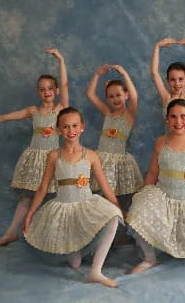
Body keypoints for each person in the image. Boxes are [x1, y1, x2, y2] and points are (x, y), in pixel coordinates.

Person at [0, 49, 69, 247]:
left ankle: (58, 235)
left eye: (50, 88)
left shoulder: (60, 109)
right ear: (38, 92)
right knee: (26, 198)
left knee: (57, 197)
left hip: (54, 159)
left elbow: (65, 84)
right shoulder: (33, 111)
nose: (46, 92)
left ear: (56, 91)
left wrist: (61, 60)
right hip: (34, 159)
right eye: (42, 89)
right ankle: (10, 233)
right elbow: (7, 117)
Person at [23, 107, 123, 288]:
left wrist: (118, 206)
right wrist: (30, 213)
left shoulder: (91, 155)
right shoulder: (54, 155)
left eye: (75, 126)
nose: (71, 131)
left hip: (86, 203)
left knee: (114, 217)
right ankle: (76, 253)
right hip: (64, 206)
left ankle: (96, 272)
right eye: (66, 127)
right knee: (75, 262)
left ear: (82, 127)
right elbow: (43, 188)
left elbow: (105, 186)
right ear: (59, 129)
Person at [126, 99, 185, 273]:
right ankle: (150, 259)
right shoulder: (161, 142)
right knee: (137, 212)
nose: (178, 122)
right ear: (167, 119)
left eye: (183, 116)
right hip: (164, 198)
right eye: (173, 117)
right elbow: (152, 174)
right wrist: (141, 198)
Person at [86, 64, 143, 210]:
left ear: (126, 95)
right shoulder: (108, 113)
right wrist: (97, 74)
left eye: (118, 95)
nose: (115, 99)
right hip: (102, 159)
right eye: (111, 96)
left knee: (118, 197)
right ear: (107, 99)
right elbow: (90, 95)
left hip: (118, 161)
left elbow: (135, 97)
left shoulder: (128, 116)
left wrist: (124, 74)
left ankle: (120, 223)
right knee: (101, 195)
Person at [151, 38, 185, 133]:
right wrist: (157, 47)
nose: (177, 83)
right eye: (172, 80)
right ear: (168, 81)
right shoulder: (166, 98)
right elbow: (154, 73)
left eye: (181, 79)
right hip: (169, 145)